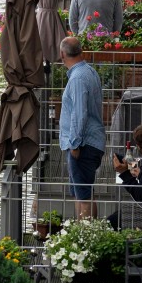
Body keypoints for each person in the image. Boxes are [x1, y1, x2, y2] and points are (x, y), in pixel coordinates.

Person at [58, 36, 105, 219]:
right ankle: (83, 236)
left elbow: (79, 113)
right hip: (92, 141)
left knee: (83, 196)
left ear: (62, 54)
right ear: (81, 51)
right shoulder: (89, 71)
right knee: (83, 193)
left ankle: (85, 241)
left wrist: (75, 144)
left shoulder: (77, 79)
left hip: (83, 144)